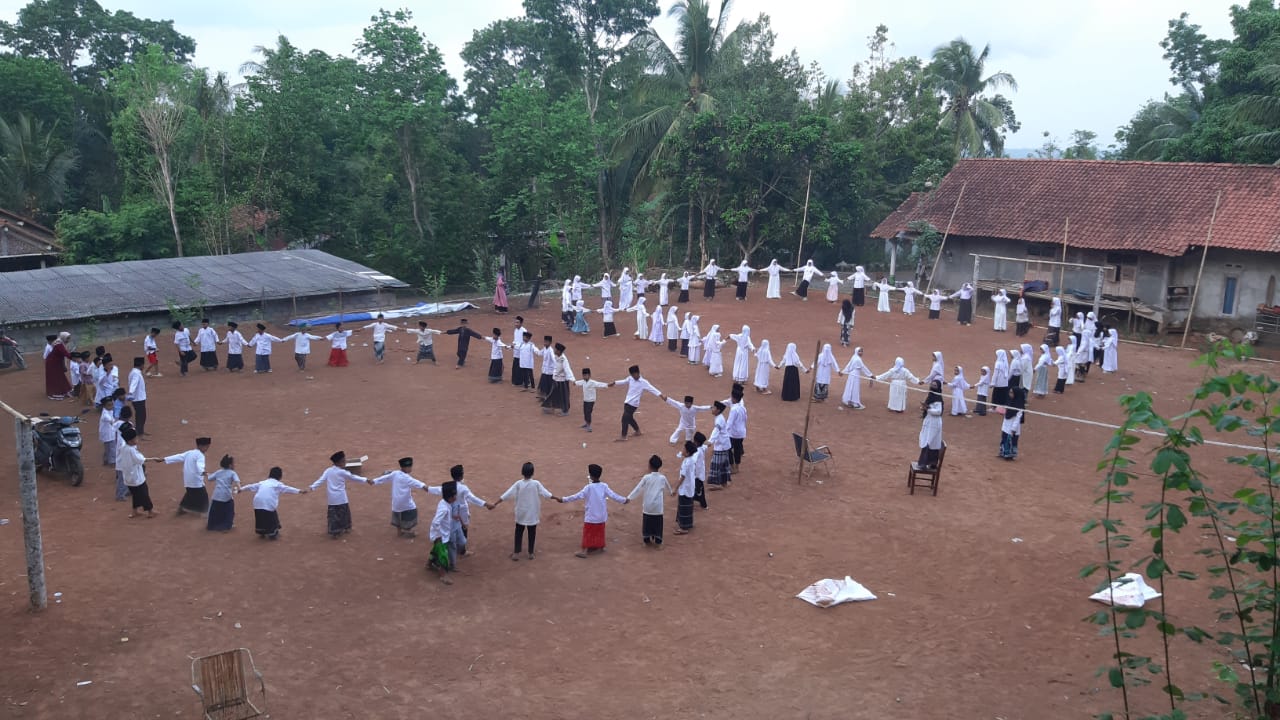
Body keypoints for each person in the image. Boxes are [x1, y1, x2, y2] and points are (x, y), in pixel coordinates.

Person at [491, 461, 559, 560]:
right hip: (532, 513)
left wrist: (496, 503)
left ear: (522, 472)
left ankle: (516, 553)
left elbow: (507, 494)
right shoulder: (536, 484)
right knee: (532, 532)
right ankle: (531, 553)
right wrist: (557, 498)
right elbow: (547, 494)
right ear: (533, 473)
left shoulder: (518, 484)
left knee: (518, 532)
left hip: (521, 513)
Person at [561, 464, 628, 558]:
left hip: (591, 516)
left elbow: (576, 496)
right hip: (601, 516)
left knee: (588, 533)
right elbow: (614, 496)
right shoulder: (604, 486)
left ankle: (584, 550)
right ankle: (600, 547)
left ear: (591, 476)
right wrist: (624, 500)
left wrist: (563, 499)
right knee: (599, 532)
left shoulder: (588, 487)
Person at [427, 466, 491, 559]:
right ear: (461, 476)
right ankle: (462, 550)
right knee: (464, 527)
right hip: (462, 510)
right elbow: (472, 498)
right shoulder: (463, 488)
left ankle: (453, 545)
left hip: (451, 510)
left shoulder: (448, 487)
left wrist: (426, 488)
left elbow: (436, 489)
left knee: (451, 526)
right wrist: (485, 504)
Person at [310, 451, 370, 538]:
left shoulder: (328, 471)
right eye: (344, 461)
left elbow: (320, 480)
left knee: (333, 516)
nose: (345, 462)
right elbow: (353, 477)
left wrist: (312, 487)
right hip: (341, 498)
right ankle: (346, 528)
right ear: (339, 462)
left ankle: (334, 532)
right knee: (344, 513)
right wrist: (366, 480)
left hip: (332, 499)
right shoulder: (343, 472)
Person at [239, 467, 306, 540]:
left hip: (257, 503)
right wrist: (299, 491)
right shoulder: (277, 484)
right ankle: (272, 533)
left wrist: (241, 489)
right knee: (272, 517)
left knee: (260, 516)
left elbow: (251, 486)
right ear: (280, 476)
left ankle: (262, 532)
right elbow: (288, 489)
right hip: (268, 503)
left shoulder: (263, 482)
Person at [371, 457, 428, 538]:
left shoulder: (395, 473)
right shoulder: (407, 478)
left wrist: (374, 481)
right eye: (410, 467)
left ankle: (399, 531)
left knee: (397, 514)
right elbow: (417, 483)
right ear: (406, 467)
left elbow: (385, 477)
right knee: (412, 511)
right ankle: (407, 531)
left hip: (396, 503)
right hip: (405, 502)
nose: (411, 468)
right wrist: (426, 487)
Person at [628, 455, 674, 545]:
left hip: (648, 507)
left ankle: (647, 538)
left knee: (647, 522)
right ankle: (658, 539)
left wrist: (629, 497)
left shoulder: (646, 477)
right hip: (658, 508)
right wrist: (672, 492)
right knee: (658, 522)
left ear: (649, 465)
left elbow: (638, 489)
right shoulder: (662, 478)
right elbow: (669, 488)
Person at [160, 437, 212, 516]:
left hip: (188, 480)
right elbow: (199, 466)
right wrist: (204, 473)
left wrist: (164, 459)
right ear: (201, 446)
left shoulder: (190, 453)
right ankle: (205, 512)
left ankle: (182, 508)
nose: (207, 449)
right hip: (196, 481)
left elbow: (178, 457)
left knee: (190, 493)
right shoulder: (200, 456)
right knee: (203, 496)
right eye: (207, 447)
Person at [611, 365, 662, 441]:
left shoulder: (644, 382)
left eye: (634, 374)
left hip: (633, 404)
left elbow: (652, 389)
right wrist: (615, 382)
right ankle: (638, 431)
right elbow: (624, 381)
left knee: (624, 419)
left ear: (638, 373)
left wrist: (661, 395)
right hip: (627, 401)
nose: (634, 376)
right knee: (629, 418)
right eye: (632, 375)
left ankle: (623, 436)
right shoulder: (630, 378)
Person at [117, 428, 154, 518]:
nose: (137, 440)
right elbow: (139, 459)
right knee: (144, 494)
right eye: (135, 438)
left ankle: (135, 511)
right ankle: (150, 511)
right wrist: (152, 459)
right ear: (130, 441)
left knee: (135, 495)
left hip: (128, 478)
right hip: (137, 478)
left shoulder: (123, 448)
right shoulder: (131, 450)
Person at [427, 481, 457, 584]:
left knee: (436, 550)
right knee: (443, 556)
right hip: (440, 536)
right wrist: (439, 536)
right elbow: (436, 522)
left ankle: (428, 564)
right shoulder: (444, 508)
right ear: (450, 497)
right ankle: (443, 575)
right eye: (455, 495)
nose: (456, 497)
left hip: (441, 534)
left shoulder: (444, 503)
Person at [206, 454, 240, 532]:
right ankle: (227, 525)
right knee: (229, 509)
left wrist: (207, 474)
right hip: (226, 496)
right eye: (233, 463)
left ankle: (211, 525)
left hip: (216, 495)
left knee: (215, 510)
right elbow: (237, 481)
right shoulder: (232, 473)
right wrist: (239, 488)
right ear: (230, 465)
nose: (234, 465)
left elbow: (210, 478)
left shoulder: (218, 472)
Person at [916, 381, 945, 469]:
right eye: (932, 384)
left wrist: (928, 409)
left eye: (935, 385)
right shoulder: (931, 396)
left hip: (934, 423)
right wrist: (924, 408)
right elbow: (929, 407)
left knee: (929, 441)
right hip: (929, 421)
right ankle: (930, 462)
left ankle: (924, 463)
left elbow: (939, 411)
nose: (932, 386)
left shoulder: (938, 398)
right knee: (928, 440)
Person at [540, 342, 574, 416]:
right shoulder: (556, 357)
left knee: (564, 395)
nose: (554, 350)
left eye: (555, 349)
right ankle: (550, 407)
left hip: (562, 381)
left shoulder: (563, 359)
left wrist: (572, 379)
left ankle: (565, 411)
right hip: (555, 379)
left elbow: (567, 369)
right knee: (553, 393)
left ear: (559, 351)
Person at [706, 402, 733, 490]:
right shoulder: (719, 417)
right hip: (723, 444)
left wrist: (710, 441)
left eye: (714, 407)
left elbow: (716, 430)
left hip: (721, 445)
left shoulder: (719, 420)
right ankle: (724, 482)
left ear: (718, 410)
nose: (712, 409)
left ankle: (717, 484)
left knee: (716, 464)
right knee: (723, 464)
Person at [574, 367, 609, 432]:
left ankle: (589, 426)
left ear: (589, 375)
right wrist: (574, 383)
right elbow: (577, 383)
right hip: (585, 400)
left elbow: (600, 384)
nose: (584, 377)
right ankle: (586, 423)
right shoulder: (583, 382)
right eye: (583, 375)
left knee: (588, 412)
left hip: (591, 401)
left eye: (586, 375)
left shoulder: (593, 382)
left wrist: (607, 385)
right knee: (585, 412)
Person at [98, 387, 125, 466]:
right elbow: (112, 421)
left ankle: (106, 460)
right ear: (104, 406)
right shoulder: (105, 414)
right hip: (107, 434)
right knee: (112, 448)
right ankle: (112, 462)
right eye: (109, 405)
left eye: (112, 404)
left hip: (109, 433)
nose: (112, 406)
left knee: (108, 448)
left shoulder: (109, 410)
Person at [675, 443, 698, 533]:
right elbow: (681, 454)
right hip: (690, 486)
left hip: (685, 487)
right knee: (688, 506)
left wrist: (675, 488)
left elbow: (682, 477)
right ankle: (688, 523)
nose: (682, 450)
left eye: (684, 449)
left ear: (688, 453)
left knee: (683, 507)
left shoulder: (687, 463)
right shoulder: (691, 459)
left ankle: (683, 528)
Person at [44, 332, 72, 400]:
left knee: (60, 376)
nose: (68, 340)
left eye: (69, 338)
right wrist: (75, 357)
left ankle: (64, 390)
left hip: (57, 362)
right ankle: (55, 393)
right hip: (52, 364)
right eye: (67, 338)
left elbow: (63, 355)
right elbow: (66, 354)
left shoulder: (60, 343)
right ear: (63, 337)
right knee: (55, 378)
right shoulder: (59, 344)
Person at [726, 387, 748, 471]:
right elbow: (745, 418)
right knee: (737, 450)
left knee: (728, 449)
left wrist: (724, 431)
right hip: (741, 432)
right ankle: (737, 467)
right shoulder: (743, 407)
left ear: (734, 398)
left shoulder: (734, 409)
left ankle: (732, 467)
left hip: (733, 433)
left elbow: (729, 423)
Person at [126, 357, 148, 435]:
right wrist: (130, 393)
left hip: (139, 398)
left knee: (141, 415)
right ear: (141, 365)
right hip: (138, 398)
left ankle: (140, 431)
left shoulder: (134, 372)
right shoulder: (136, 373)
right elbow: (133, 384)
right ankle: (139, 432)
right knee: (141, 416)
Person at [991, 349, 1011, 413]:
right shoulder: (1005, 363)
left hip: (998, 383)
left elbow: (995, 374)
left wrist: (992, 383)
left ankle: (994, 408)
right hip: (1004, 383)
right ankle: (1001, 409)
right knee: (1002, 396)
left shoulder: (998, 363)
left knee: (996, 395)